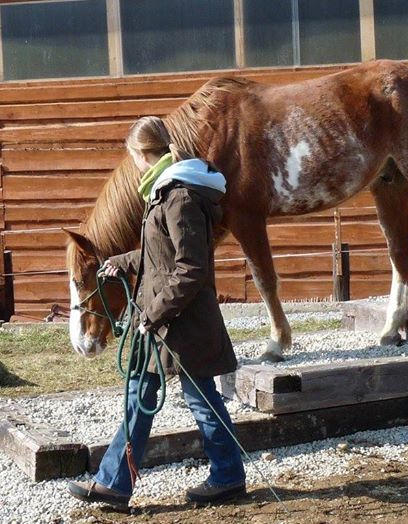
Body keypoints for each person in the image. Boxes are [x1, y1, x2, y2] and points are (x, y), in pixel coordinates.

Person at [67, 116, 245, 509]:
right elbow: (159, 253)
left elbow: (192, 268)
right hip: (161, 320)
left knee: (201, 399)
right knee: (138, 395)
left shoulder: (180, 197)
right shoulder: (161, 192)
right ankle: (114, 483)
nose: (133, 164)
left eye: (133, 156)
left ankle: (229, 476)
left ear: (142, 154)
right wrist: (123, 261)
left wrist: (155, 313)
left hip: (183, 323)